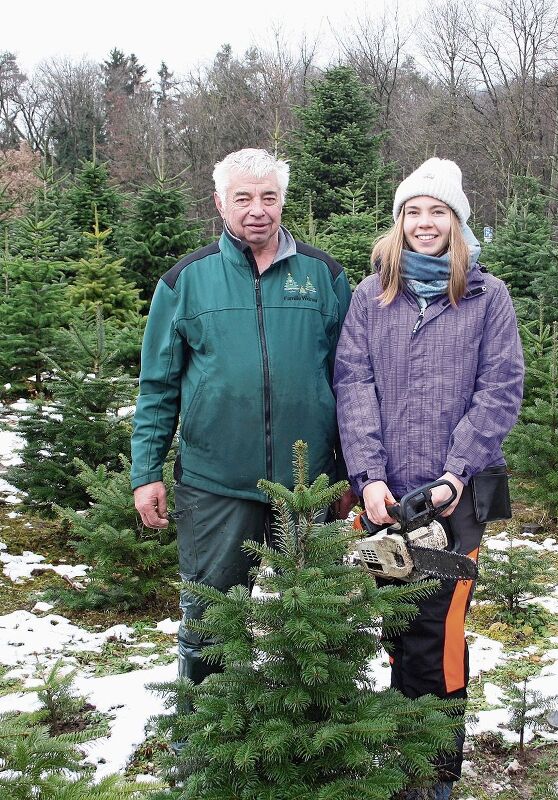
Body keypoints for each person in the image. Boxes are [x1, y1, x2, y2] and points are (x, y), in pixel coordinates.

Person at [333, 157, 524, 800]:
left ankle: (432, 777)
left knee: (438, 633)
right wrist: (368, 478)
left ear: (457, 221)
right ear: (399, 221)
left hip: (456, 499)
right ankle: (399, 759)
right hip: (384, 498)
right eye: (413, 211)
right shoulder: (370, 296)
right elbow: (353, 385)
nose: (424, 223)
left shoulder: (485, 297)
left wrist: (455, 471)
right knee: (394, 624)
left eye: (437, 211)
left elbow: (500, 389)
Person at [131, 148, 355, 686]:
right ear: (220, 203)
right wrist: (145, 474)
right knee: (209, 624)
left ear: (283, 201)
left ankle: (313, 748)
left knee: (314, 623)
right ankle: (204, 751)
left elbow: (353, 383)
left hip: (309, 483)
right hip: (215, 484)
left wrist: (353, 472)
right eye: (243, 198)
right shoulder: (186, 281)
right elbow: (158, 386)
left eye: (269, 197)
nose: (257, 209)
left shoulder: (324, 276)